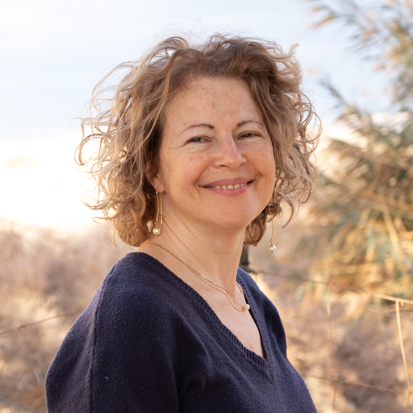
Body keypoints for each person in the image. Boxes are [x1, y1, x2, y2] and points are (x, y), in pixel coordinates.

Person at [45, 34, 319, 412]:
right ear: (153, 169)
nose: (231, 157)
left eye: (248, 134)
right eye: (199, 139)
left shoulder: (249, 299)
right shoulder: (134, 317)